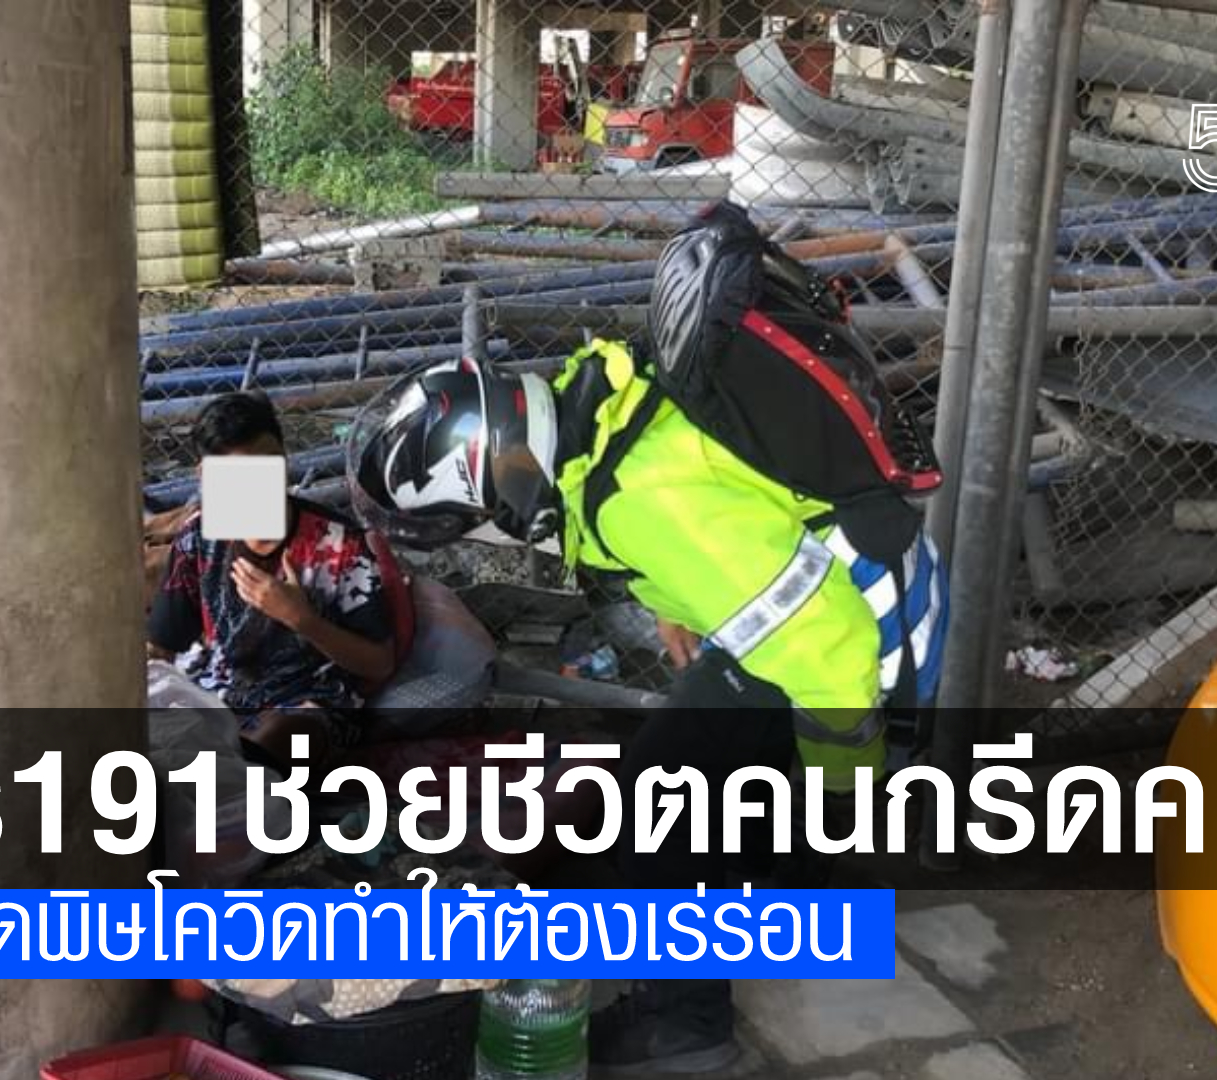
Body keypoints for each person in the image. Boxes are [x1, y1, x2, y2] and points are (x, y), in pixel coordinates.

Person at [345, 219, 947, 1075]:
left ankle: (686, 1024)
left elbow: (828, 647)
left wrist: (844, 795)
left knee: (663, 811)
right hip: (824, 605)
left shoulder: (637, 500)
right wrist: (677, 607)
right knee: (682, 769)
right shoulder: (593, 418)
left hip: (867, 633)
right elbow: (700, 523)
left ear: (495, 492)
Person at [149, 391, 397, 772]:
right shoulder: (198, 538)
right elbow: (162, 648)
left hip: (305, 706)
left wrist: (303, 620)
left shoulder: (340, 545)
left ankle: (229, 777)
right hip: (210, 699)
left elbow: (379, 664)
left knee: (288, 735)